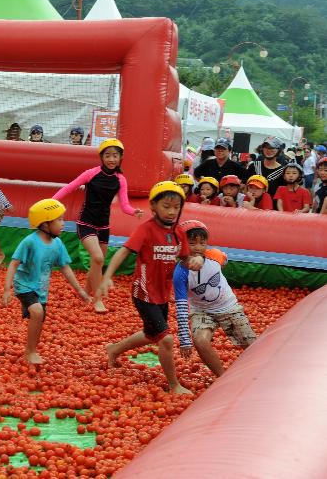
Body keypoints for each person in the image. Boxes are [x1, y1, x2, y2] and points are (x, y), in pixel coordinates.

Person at [100, 181, 197, 395]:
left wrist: (195, 262)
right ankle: (174, 385)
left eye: (176, 207)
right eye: (166, 206)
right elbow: (124, 251)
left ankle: (114, 349)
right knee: (166, 339)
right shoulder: (145, 229)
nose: (172, 211)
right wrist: (107, 275)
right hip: (143, 293)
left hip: (162, 294)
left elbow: (185, 259)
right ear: (153, 207)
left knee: (151, 334)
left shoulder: (179, 233)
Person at [53, 138, 144, 313]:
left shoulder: (120, 179)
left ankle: (86, 293)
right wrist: (52, 200)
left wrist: (134, 211)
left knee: (97, 264)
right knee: (98, 258)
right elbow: (70, 187)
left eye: (115, 156)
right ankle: (97, 300)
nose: (111, 159)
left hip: (103, 226)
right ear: (101, 157)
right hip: (86, 222)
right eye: (108, 155)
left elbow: (124, 205)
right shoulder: (91, 173)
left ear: (120, 158)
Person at [3, 199, 90, 364]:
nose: (63, 223)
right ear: (44, 223)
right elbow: (14, 263)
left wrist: (80, 291)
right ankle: (29, 352)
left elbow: (65, 268)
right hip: (24, 284)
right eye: (59, 220)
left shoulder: (57, 244)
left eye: (63, 219)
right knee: (37, 312)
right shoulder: (30, 242)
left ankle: (32, 350)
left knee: (39, 317)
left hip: (41, 289)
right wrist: (7, 289)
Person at [174, 220, 257, 377]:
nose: (198, 247)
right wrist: (185, 338)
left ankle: (259, 372)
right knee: (199, 340)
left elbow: (224, 259)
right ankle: (222, 377)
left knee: (252, 345)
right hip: (202, 311)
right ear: (182, 245)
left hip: (229, 307)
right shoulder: (181, 273)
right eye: (192, 243)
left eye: (202, 242)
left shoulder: (214, 255)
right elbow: (181, 307)